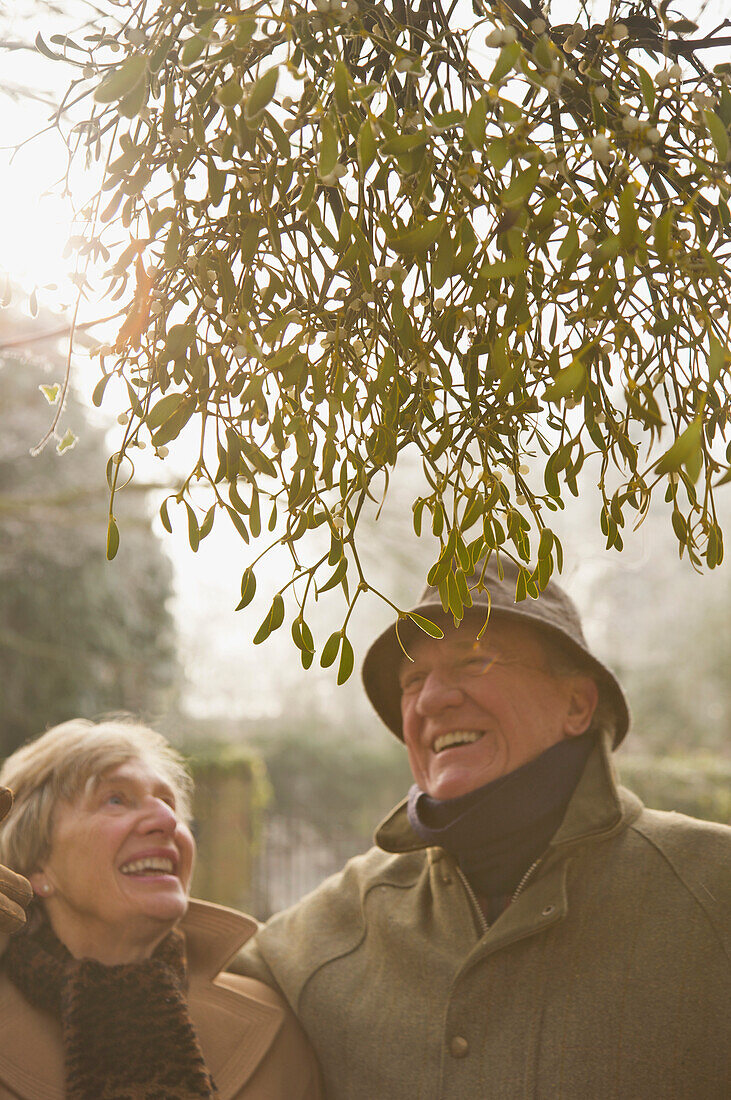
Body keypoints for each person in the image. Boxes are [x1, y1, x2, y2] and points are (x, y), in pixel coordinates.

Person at [229, 556, 731, 1099]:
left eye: (475, 662)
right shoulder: (339, 921)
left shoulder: (713, 888)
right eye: (413, 679)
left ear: (578, 703)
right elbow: (183, 988)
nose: (430, 700)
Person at [0, 718, 322, 1100]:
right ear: (36, 863)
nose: (169, 821)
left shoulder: (275, 1022)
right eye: (115, 799)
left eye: (169, 803)